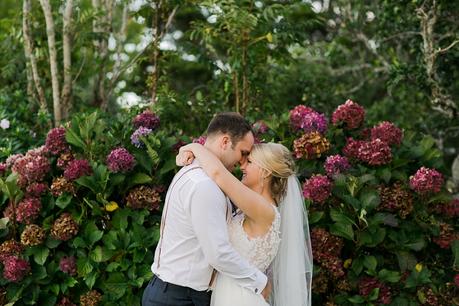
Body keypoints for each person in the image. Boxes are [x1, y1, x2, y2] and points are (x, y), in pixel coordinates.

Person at [142, 112, 269, 306]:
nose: (243, 161)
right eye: (243, 153)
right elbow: (218, 253)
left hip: (180, 294)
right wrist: (259, 282)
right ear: (225, 142)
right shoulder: (203, 185)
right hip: (178, 298)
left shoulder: (200, 174)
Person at [176, 141, 313, 306]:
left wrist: (196, 147)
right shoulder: (253, 208)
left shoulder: (263, 209)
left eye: (249, 162)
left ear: (266, 172)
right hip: (230, 292)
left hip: (239, 297)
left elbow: (218, 174)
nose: (242, 167)